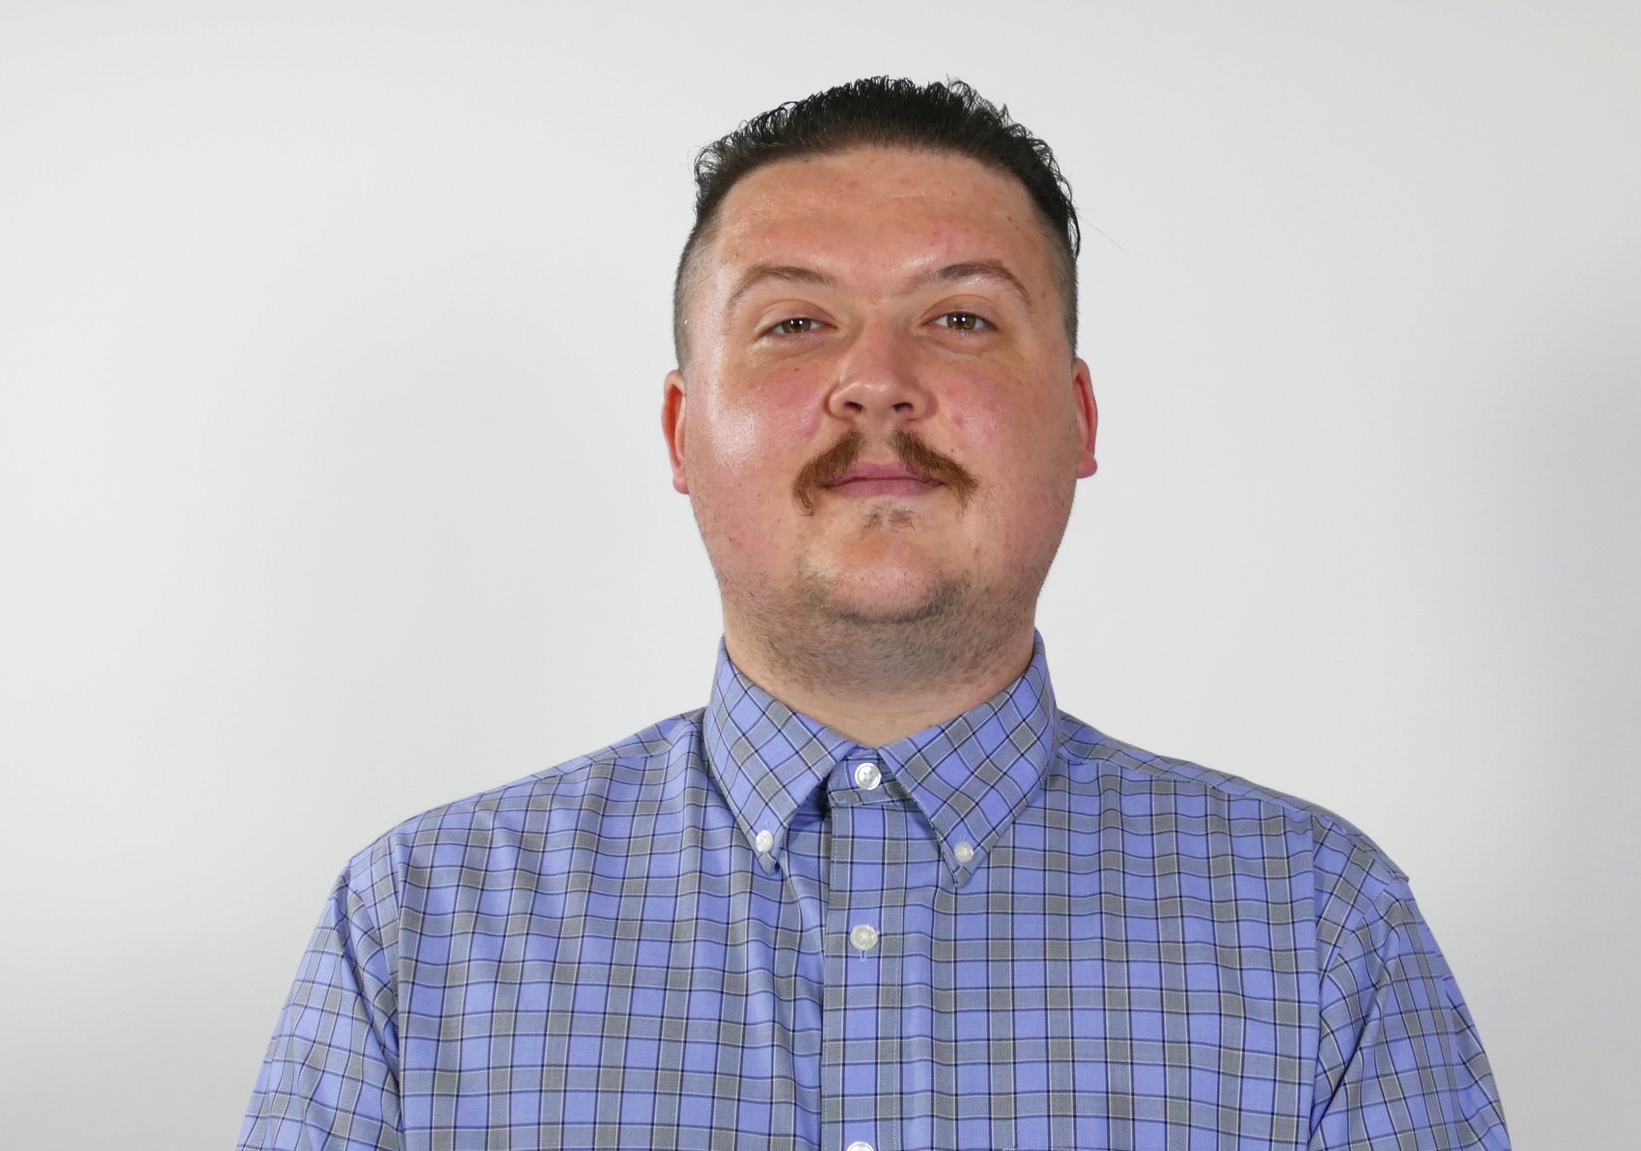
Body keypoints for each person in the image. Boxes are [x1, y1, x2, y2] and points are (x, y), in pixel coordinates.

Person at [238, 77, 1508, 1151]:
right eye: (794, 323)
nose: (876, 385)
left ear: (1078, 423)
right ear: (683, 431)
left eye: (958, 318)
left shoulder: (1322, 931)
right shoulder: (417, 931)